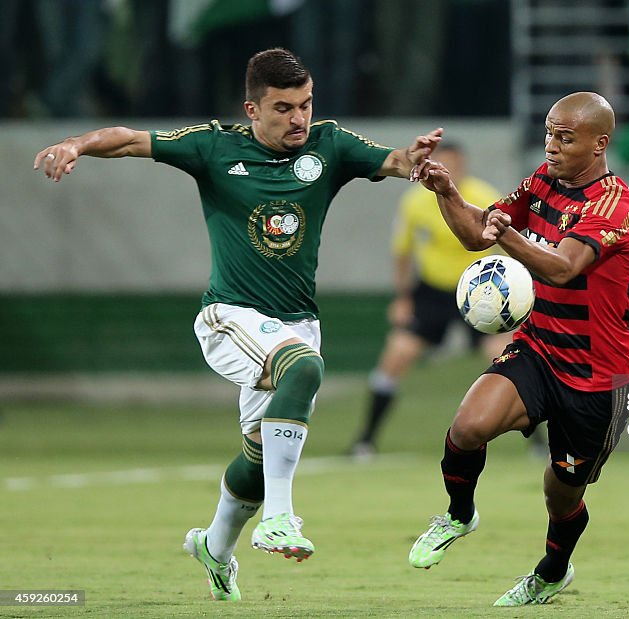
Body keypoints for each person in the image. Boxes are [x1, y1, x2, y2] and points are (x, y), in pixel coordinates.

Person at [33, 47, 442, 601]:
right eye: (283, 108)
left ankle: (215, 546)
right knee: (304, 370)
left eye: (305, 104)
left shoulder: (329, 145)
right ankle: (281, 517)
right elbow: (131, 139)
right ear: (252, 109)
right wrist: (75, 144)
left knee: (258, 454)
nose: (298, 118)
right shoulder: (213, 146)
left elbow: (393, 161)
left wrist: (414, 160)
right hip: (229, 317)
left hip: (297, 321)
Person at [406, 92, 629, 606]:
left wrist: (504, 234)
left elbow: (560, 266)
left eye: (566, 137)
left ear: (600, 144)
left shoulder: (614, 205)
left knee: (561, 492)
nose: (552, 146)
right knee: (469, 427)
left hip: (595, 376)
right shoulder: (541, 182)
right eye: (549, 133)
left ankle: (553, 570)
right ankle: (458, 514)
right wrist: (447, 192)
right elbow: (477, 233)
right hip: (538, 348)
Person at [349, 142, 513, 459]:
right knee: (396, 356)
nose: (449, 174)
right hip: (431, 291)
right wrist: (403, 298)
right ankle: (365, 441)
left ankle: (539, 444)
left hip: (480, 290)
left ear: (464, 168)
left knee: (508, 361)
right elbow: (403, 251)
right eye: (442, 167)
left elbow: (507, 249)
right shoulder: (415, 203)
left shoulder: (484, 198)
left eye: (455, 167)